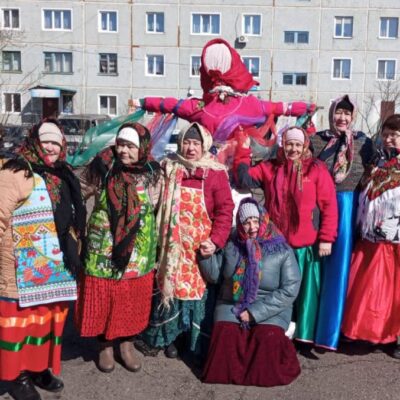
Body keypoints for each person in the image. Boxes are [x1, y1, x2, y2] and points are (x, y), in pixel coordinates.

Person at [0, 119, 86, 400]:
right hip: (20, 266)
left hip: (54, 267)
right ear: (34, 142)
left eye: (55, 143)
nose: (50, 147)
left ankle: (37, 367)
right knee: (19, 325)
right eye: (45, 141)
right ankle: (16, 376)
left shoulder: (63, 174)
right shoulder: (15, 172)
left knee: (44, 322)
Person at [234, 126, 338, 354]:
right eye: (289, 144)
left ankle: (304, 337)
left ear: (305, 146)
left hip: (305, 246)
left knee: (305, 294)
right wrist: (242, 151)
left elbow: (329, 205)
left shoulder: (316, 170)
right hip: (276, 246)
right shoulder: (271, 167)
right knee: (277, 291)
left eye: (298, 145)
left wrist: (326, 238)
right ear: (283, 144)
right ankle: (277, 331)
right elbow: (243, 178)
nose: (293, 149)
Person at [141, 122, 234, 361]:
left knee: (194, 293)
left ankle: (189, 339)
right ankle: (169, 337)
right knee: (169, 289)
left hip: (199, 247)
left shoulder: (215, 173)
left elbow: (225, 210)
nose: (191, 148)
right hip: (171, 247)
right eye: (187, 142)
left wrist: (215, 241)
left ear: (205, 145)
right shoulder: (169, 167)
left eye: (196, 143)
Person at [75, 122, 162, 373]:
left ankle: (127, 344)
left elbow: (158, 206)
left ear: (142, 147)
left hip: (139, 248)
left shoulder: (152, 172)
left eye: (130, 146)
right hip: (103, 245)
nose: (123, 150)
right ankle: (104, 345)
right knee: (105, 296)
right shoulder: (101, 167)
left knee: (131, 297)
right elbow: (78, 192)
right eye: (121, 144)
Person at [200, 197, 301, 386]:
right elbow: (215, 276)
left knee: (266, 342)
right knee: (225, 341)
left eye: (256, 220)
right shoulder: (231, 244)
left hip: (270, 307)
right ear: (240, 224)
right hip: (232, 302)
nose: (252, 227)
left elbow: (290, 289)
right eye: (246, 222)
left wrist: (255, 313)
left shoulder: (281, 249)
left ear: (264, 220)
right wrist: (205, 257)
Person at [309, 95, 374, 350]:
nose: (342, 118)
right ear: (332, 113)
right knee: (316, 265)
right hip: (318, 205)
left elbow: (373, 172)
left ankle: (331, 331)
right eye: (339, 112)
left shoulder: (363, 142)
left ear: (353, 116)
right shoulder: (317, 140)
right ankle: (308, 328)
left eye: (347, 114)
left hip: (348, 205)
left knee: (340, 266)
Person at [341, 114, 400, 357]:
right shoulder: (376, 162)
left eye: (394, 135)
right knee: (369, 291)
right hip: (371, 238)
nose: (389, 139)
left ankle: (392, 337)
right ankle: (367, 332)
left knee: (393, 291)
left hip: (394, 242)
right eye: (386, 135)